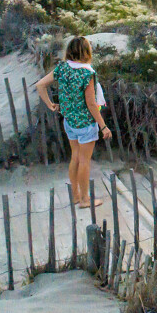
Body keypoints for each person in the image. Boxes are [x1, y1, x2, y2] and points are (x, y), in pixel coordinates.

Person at [35, 36, 112, 208]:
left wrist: (51, 105)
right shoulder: (87, 73)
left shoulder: (62, 68)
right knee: (84, 161)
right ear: (86, 51)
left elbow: (40, 85)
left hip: (69, 121)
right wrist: (103, 126)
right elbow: (91, 104)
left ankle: (76, 196)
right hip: (85, 123)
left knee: (75, 158)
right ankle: (85, 200)